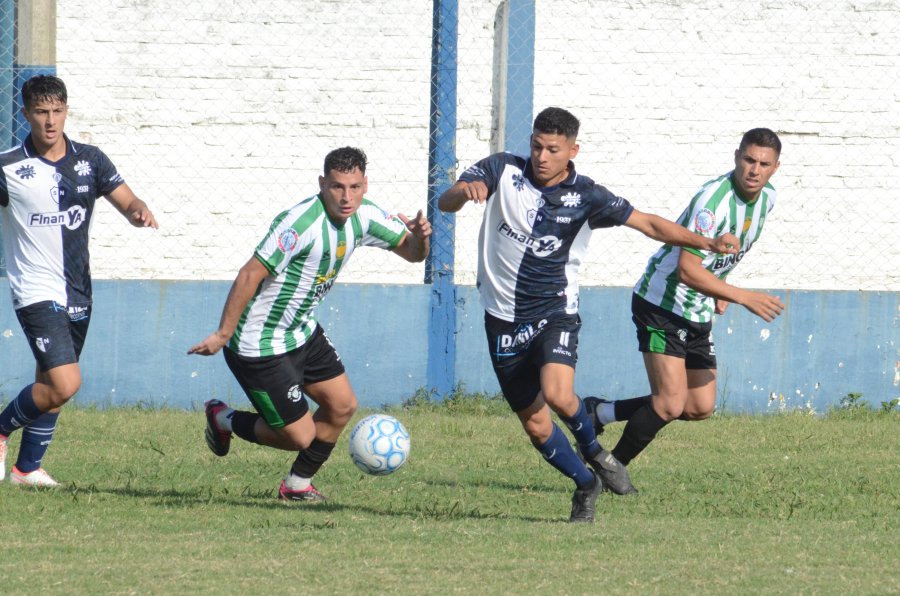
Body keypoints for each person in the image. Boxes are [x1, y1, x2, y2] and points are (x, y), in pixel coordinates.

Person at [437, 107, 739, 522]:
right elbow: (446, 201)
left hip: (554, 311)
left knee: (560, 394)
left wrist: (704, 242)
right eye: (537, 146)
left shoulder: (587, 196)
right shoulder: (501, 170)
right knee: (537, 427)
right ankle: (586, 483)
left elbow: (648, 224)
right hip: (501, 317)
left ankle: (596, 450)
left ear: (572, 150)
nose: (542, 157)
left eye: (553, 149)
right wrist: (464, 190)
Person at [188, 146, 431, 502]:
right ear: (322, 183)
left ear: (365, 185)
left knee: (342, 405)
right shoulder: (299, 224)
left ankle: (297, 486)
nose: (346, 197)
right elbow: (249, 274)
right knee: (298, 437)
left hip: (301, 331)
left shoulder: (365, 215)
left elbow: (412, 253)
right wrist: (223, 333)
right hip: (260, 342)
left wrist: (422, 239)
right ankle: (223, 419)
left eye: (354, 187)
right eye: (336, 187)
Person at [585, 128, 784, 491]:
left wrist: (720, 287)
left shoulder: (766, 199)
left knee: (698, 406)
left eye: (763, 164)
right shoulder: (714, 202)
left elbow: (727, 251)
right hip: (662, 304)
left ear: (775, 168)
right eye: (749, 160)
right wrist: (740, 295)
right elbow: (687, 270)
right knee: (668, 404)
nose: (754, 170)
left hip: (697, 307)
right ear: (737, 156)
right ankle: (607, 470)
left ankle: (600, 412)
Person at [0, 75, 158, 486]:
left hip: (78, 288)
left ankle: (26, 469)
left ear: (67, 110)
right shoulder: (9, 167)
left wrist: (138, 210)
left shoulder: (90, 160)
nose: (50, 121)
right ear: (26, 114)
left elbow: (126, 200)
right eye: (41, 112)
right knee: (67, 382)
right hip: (34, 288)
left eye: (57, 111)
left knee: (50, 384)